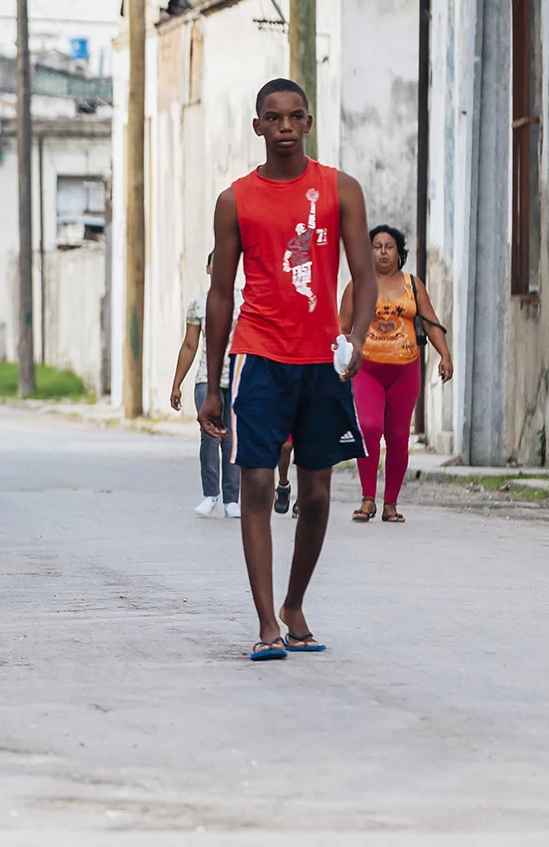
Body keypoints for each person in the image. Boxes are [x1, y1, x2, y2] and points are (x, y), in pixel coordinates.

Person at [200, 78, 377, 662]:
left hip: (322, 362)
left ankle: (295, 605)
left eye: (293, 116)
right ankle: (265, 623)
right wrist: (215, 380)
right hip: (259, 356)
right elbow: (221, 294)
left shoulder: (339, 189)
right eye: (272, 117)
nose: (283, 126)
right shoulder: (236, 200)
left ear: (307, 122)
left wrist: (355, 338)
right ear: (258, 127)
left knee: (319, 493)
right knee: (255, 483)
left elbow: (365, 274)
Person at [341, 224, 452, 524]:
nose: (383, 252)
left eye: (389, 247)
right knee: (369, 426)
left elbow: (430, 323)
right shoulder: (357, 286)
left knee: (399, 435)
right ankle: (368, 499)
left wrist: (445, 355)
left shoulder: (413, 285)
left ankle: (390, 503)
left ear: (399, 253)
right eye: (377, 247)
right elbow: (342, 329)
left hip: (406, 369)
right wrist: (337, 364)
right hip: (367, 369)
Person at [170, 251, 239, 518]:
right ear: (208, 269)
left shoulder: (244, 302)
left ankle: (232, 499)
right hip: (205, 379)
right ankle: (210, 495)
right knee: (209, 436)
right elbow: (189, 346)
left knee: (232, 436)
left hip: (235, 379)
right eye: (216, 264)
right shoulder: (199, 305)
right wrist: (177, 384)